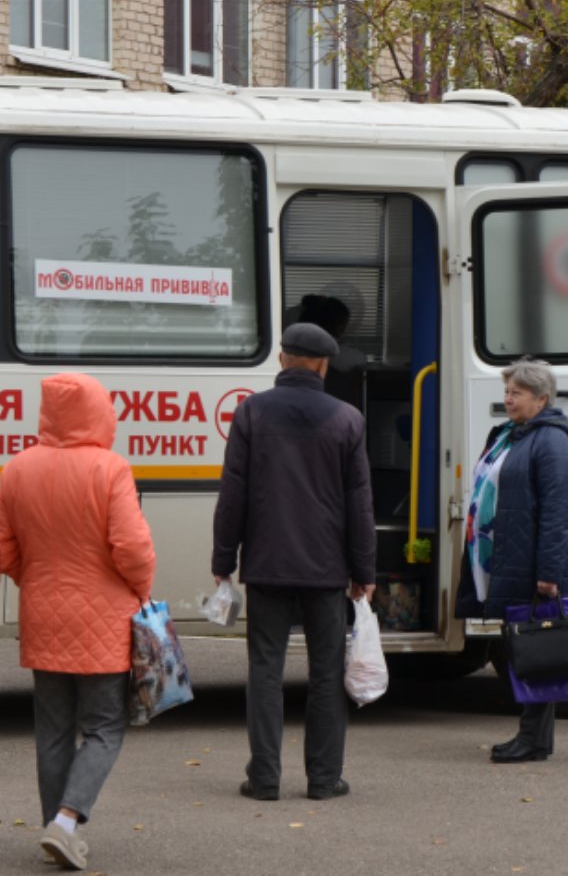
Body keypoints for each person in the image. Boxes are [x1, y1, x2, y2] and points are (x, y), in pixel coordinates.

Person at [0, 372, 156, 872]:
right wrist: (139, 589)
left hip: (43, 613)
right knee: (105, 726)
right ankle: (65, 821)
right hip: (103, 617)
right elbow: (132, 548)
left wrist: (31, 577)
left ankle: (54, 827)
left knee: (53, 729)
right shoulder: (110, 468)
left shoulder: (18, 467)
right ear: (99, 412)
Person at [211, 322, 376, 802]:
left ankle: (264, 778)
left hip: (266, 565)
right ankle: (324, 780)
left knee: (265, 669)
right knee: (326, 673)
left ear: (282, 359)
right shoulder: (347, 419)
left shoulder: (252, 412)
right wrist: (363, 571)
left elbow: (233, 492)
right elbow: (359, 503)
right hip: (326, 571)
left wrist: (224, 557)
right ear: (324, 365)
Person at [454, 356, 568, 764]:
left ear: (541, 399)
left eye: (517, 393)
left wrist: (549, 573)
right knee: (523, 647)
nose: (508, 399)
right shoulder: (511, 435)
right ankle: (535, 737)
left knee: (535, 650)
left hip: (531, 563)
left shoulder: (552, 442)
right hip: (505, 557)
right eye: (506, 392)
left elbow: (556, 512)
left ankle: (533, 738)